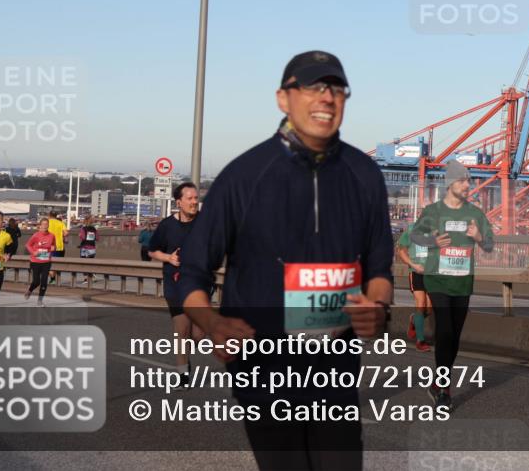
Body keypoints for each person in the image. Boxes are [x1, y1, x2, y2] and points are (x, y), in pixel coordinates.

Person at [180, 51, 393, 471]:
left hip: (335, 371)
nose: (327, 98)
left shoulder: (366, 175)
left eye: (336, 89)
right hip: (263, 370)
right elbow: (192, 273)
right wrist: (212, 323)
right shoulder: (244, 176)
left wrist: (378, 307)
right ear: (283, 98)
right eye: (313, 87)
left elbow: (380, 269)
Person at [411, 160, 494, 411]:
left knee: (454, 336)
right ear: (450, 184)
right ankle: (445, 390)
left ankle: (437, 382)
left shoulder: (475, 213)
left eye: (468, 181)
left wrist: (479, 237)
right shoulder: (433, 211)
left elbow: (489, 245)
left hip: (463, 282)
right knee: (445, 331)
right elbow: (415, 235)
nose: (467, 185)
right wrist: (433, 240)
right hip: (437, 279)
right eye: (462, 180)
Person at [149, 183, 203, 385]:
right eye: (190, 198)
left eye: (196, 198)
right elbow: (152, 250)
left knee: (197, 334)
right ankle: (183, 374)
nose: (194, 202)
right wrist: (168, 258)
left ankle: (189, 346)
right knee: (182, 330)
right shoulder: (167, 226)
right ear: (179, 202)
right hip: (175, 283)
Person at [396, 223, 432, 352]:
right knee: (420, 303)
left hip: (432, 274)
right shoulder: (411, 230)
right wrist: (413, 264)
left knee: (429, 309)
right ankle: (420, 341)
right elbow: (401, 250)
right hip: (416, 272)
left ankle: (414, 320)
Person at [25, 217, 56, 305]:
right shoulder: (36, 235)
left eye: (47, 224)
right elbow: (28, 245)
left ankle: (40, 300)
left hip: (46, 261)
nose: (45, 226)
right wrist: (33, 252)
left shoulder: (52, 235)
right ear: (40, 226)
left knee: (44, 282)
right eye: (43, 224)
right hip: (35, 261)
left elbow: (54, 246)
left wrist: (53, 248)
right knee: (36, 282)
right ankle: (30, 290)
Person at [47, 210, 67, 284]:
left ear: (49, 215)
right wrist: (59, 236)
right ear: (56, 215)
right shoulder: (60, 223)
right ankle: (54, 279)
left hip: (48, 247)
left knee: (45, 262)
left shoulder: (46, 223)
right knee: (57, 263)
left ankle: (52, 278)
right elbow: (65, 233)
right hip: (59, 247)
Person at [79, 216, 99, 285]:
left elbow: (83, 237)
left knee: (84, 264)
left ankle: (86, 279)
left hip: (85, 247)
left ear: (84, 221)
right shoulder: (94, 229)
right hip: (92, 248)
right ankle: (92, 275)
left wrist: (80, 236)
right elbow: (97, 238)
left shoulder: (83, 229)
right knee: (90, 263)